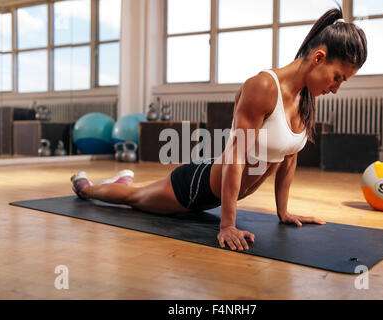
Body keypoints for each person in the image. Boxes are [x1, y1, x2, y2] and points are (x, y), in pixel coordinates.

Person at [71, 7, 367, 252]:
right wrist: (227, 225)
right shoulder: (263, 87)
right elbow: (235, 157)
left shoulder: (304, 100)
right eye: (337, 77)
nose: (336, 89)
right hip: (196, 188)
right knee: (134, 199)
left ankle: (122, 182)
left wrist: (283, 212)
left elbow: (288, 158)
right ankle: (87, 189)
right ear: (318, 58)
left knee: (139, 193)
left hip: (218, 192)